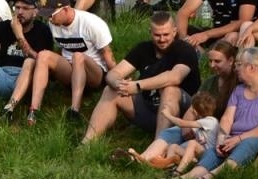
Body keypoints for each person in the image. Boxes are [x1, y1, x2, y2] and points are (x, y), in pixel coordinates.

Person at [177, 46, 258, 179]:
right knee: (216, 149)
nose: (235, 68)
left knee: (248, 143)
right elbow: (227, 118)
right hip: (234, 139)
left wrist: (238, 139)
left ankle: (215, 176)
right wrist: (221, 138)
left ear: (251, 68)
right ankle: (186, 178)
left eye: (239, 64)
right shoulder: (239, 90)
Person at [83, 12, 203, 142]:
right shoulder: (143, 49)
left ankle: (158, 147)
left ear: (174, 32)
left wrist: (138, 85)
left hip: (181, 114)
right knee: (110, 90)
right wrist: (118, 83)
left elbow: (175, 77)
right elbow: (113, 74)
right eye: (157, 35)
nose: (162, 39)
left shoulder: (185, 50)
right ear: (150, 32)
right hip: (149, 107)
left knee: (169, 89)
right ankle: (87, 143)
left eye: (166, 35)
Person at [23, 0, 113, 123]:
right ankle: (34, 110)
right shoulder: (54, 23)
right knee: (43, 55)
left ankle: (74, 110)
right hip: (70, 70)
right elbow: (62, 48)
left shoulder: (91, 23)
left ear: (65, 9)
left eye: (52, 15)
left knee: (78, 56)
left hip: (94, 73)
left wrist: (116, 77)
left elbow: (107, 53)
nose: (49, 19)